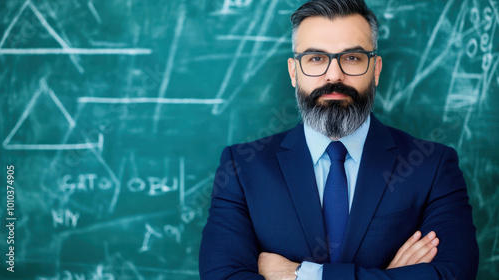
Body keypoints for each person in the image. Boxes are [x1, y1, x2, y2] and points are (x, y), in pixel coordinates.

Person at [199, 0, 479, 279]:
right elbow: (223, 275)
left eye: (352, 58)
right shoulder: (242, 168)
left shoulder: (433, 166)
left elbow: (453, 274)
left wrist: (302, 275)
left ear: (376, 69)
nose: (334, 75)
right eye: (316, 58)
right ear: (294, 72)